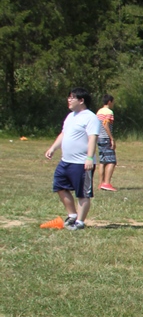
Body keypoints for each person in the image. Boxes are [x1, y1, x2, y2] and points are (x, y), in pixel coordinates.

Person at [44, 88, 101, 231]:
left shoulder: (90, 117)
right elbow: (63, 134)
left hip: (82, 163)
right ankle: (72, 215)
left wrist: (89, 158)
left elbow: (92, 138)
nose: (68, 100)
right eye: (68, 97)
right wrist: (53, 148)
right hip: (66, 161)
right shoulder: (70, 116)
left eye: (72, 97)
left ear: (81, 100)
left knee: (83, 193)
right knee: (59, 186)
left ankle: (80, 222)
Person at [96, 94, 118, 191]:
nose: (113, 104)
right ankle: (106, 183)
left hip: (99, 138)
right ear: (109, 102)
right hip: (105, 138)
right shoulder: (109, 112)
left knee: (102, 161)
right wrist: (111, 138)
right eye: (113, 102)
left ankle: (101, 183)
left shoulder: (99, 111)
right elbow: (106, 125)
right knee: (112, 161)